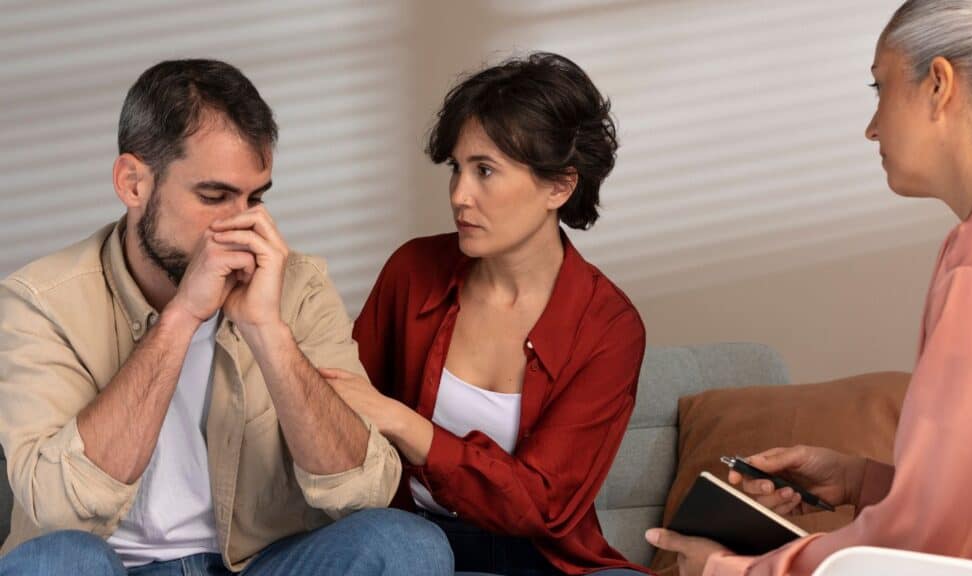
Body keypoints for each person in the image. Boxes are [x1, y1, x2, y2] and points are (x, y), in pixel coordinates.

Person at [0, 59, 452, 575]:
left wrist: (268, 331)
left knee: (409, 545)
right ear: (132, 183)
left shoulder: (296, 286)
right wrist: (183, 315)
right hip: (113, 566)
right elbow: (59, 509)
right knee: (58, 562)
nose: (240, 224)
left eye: (254, 198)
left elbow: (363, 491)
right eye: (213, 196)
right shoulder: (40, 300)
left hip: (258, 564)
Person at [645, 1, 972, 574]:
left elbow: (930, 541)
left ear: (939, 85)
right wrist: (857, 478)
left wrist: (733, 571)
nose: (870, 126)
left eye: (880, 88)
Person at [319, 52, 650, 575]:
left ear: (560, 186)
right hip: (411, 540)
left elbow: (544, 503)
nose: (459, 195)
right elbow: (341, 414)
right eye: (457, 167)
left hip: (543, 557)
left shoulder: (609, 327)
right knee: (402, 548)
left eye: (486, 170)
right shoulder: (412, 271)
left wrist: (408, 426)